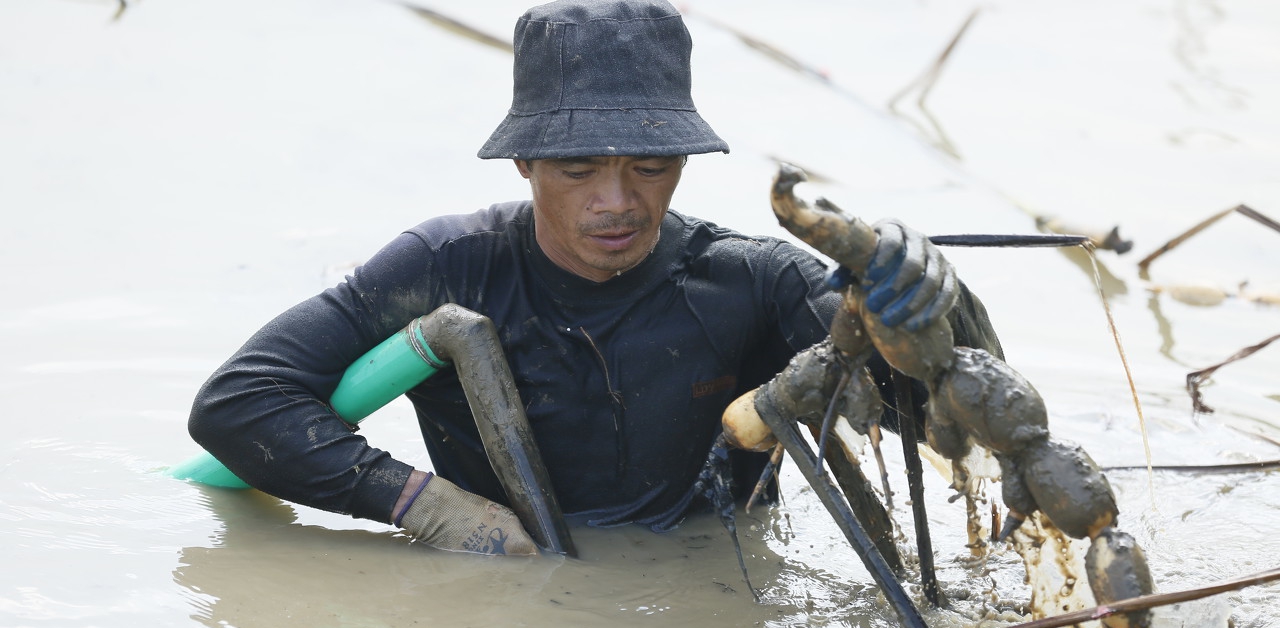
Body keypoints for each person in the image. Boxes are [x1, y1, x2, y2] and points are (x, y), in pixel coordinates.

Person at [188, 0, 1001, 557]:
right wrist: (424, 506)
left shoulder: (758, 281)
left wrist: (939, 306)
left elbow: (953, 420)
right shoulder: (446, 267)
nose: (616, 202)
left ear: (682, 162)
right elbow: (239, 405)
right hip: (505, 570)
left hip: (711, 570)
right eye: (577, 168)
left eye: (648, 166)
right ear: (524, 161)